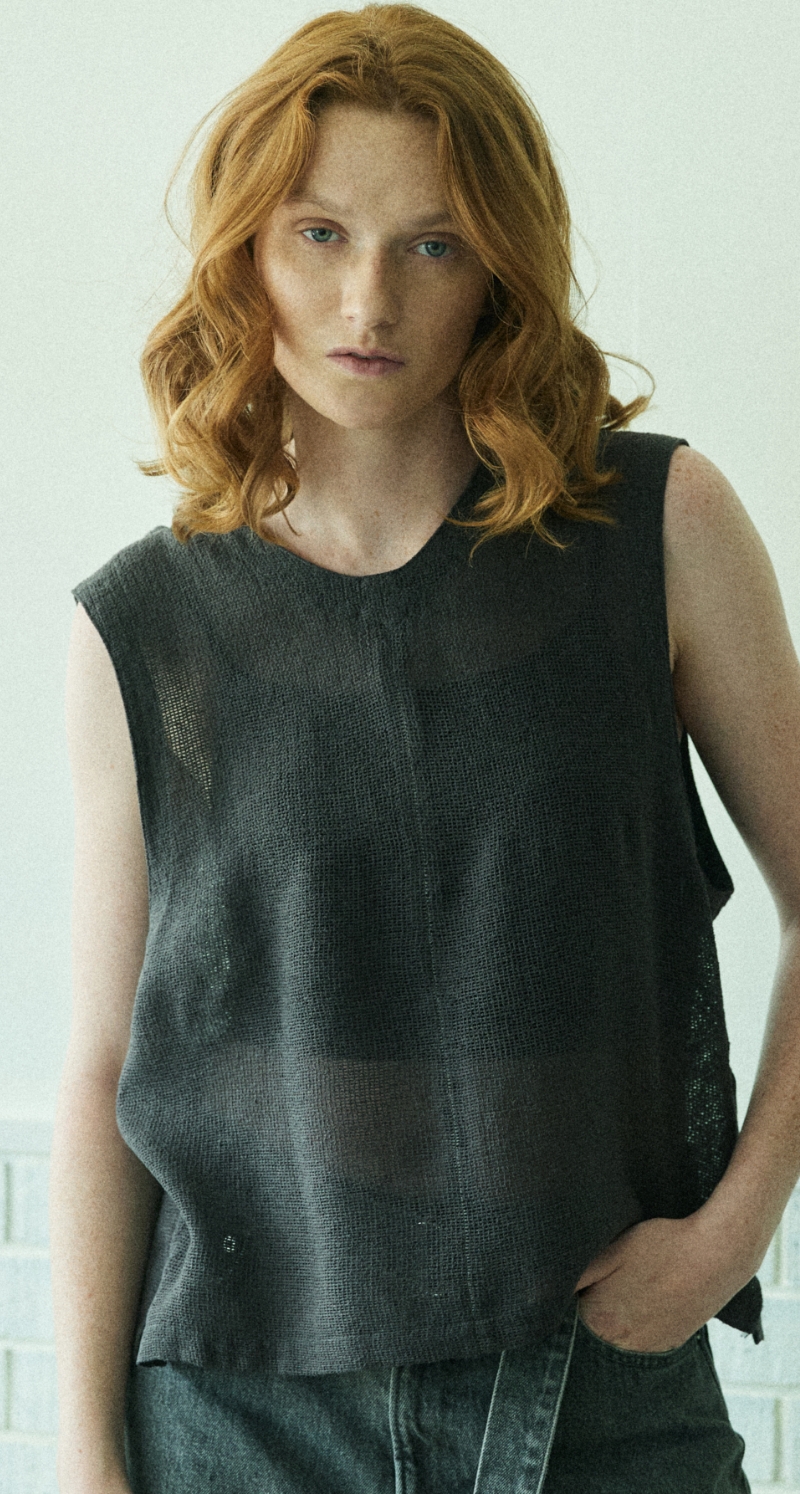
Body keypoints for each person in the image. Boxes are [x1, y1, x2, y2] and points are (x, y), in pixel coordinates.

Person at [50, 5, 800, 1492]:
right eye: (320, 234)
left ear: (499, 269)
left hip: (598, 1390)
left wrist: (734, 1233)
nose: (370, 299)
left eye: (434, 244)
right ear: (247, 253)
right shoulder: (145, 626)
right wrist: (82, 1456)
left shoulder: (659, 530)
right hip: (240, 1420)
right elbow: (106, 1066)